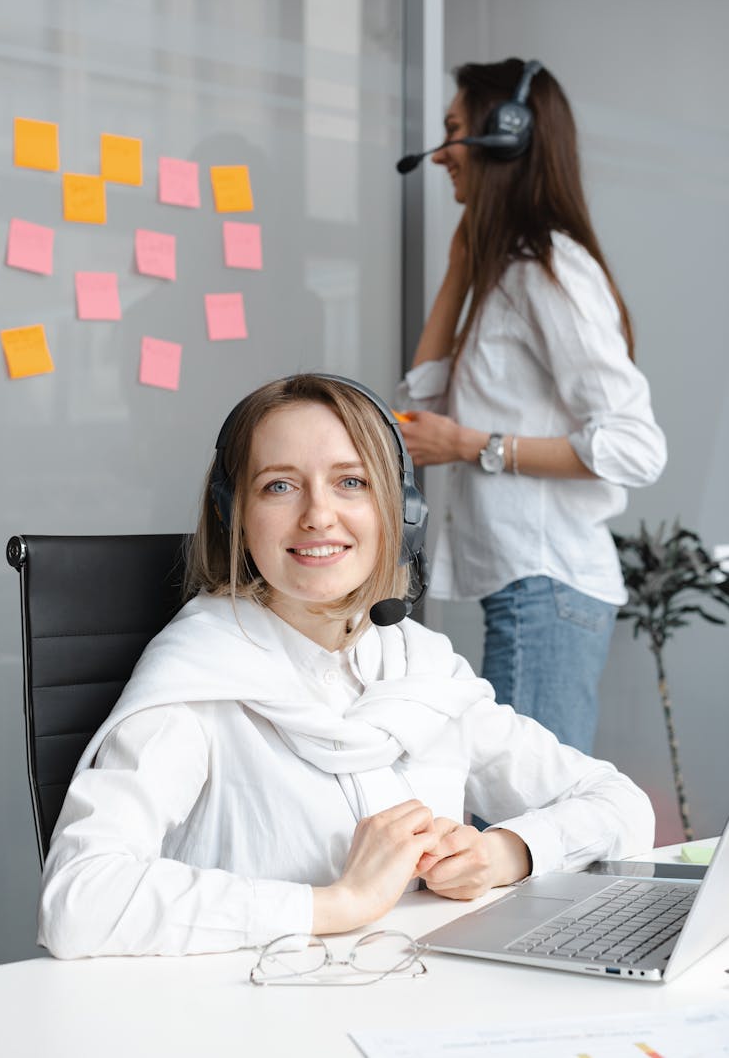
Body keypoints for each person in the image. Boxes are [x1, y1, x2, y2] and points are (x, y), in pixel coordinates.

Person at [38, 373, 654, 960]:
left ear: (401, 511)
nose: (318, 515)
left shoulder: (424, 669)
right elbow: (77, 900)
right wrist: (336, 904)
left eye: (351, 482)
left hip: (416, 1002)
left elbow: (620, 805)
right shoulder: (198, 681)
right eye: (279, 485)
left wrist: (507, 850)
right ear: (234, 514)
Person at [396, 58, 667, 756]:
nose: (440, 155)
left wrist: (472, 445)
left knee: (518, 833)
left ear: (505, 136)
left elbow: (634, 445)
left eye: (454, 131)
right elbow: (417, 411)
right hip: (528, 590)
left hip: (547, 588)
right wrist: (458, 272)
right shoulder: (502, 274)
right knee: (509, 823)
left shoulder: (547, 271)